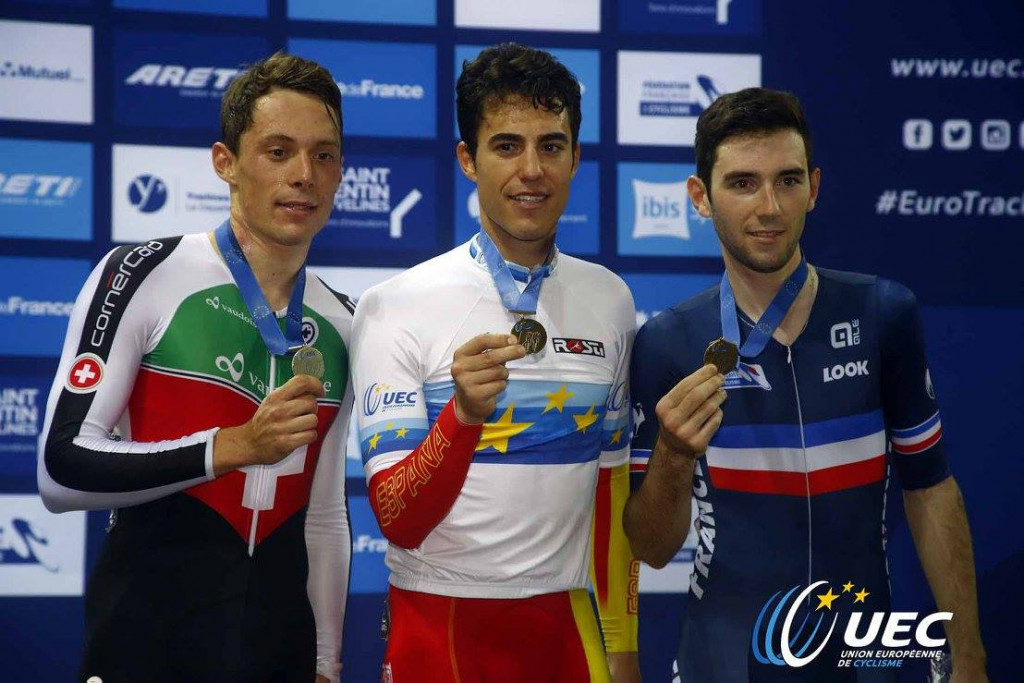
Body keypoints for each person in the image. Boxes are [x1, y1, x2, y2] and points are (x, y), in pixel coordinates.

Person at [623, 88, 987, 681]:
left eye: (787, 181)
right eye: (742, 183)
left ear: (813, 188)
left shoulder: (882, 314)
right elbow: (652, 547)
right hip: (723, 661)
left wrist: (968, 655)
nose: (769, 207)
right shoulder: (668, 342)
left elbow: (930, 490)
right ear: (700, 198)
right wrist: (673, 454)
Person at [38, 53, 353, 683]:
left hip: (278, 647)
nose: (304, 176)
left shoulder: (343, 320)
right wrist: (234, 446)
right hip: (147, 637)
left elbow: (324, 515)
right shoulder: (142, 273)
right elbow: (60, 469)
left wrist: (325, 662)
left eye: (324, 155)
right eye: (278, 151)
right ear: (225, 163)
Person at [350, 43, 640, 682]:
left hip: (569, 634)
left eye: (552, 146)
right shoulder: (393, 305)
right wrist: (461, 417)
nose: (531, 170)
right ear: (468, 160)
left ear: (575, 158)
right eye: (507, 146)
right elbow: (397, 520)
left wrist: (622, 648)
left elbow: (609, 489)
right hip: (441, 630)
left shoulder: (610, 299)